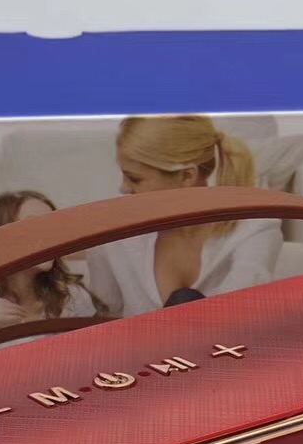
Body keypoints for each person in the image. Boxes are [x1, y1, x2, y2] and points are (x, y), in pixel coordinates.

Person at [84, 115, 281, 316]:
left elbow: (241, 312)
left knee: (186, 301)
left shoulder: (254, 226)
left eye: (135, 179)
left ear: (187, 175)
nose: (123, 188)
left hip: (225, 335)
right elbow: (104, 318)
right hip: (134, 338)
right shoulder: (112, 233)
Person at [0, 191, 99, 353]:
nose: (50, 237)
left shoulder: (72, 296)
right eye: (33, 226)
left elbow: (92, 357)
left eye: (52, 227)